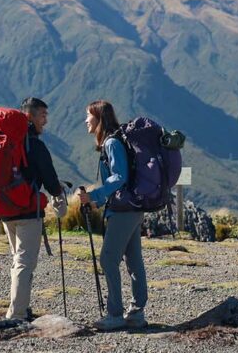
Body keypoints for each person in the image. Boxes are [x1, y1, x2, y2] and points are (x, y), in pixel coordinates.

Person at [78, 99, 148, 331]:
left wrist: (94, 195)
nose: (85, 120)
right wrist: (99, 202)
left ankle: (115, 314)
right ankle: (136, 314)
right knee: (133, 260)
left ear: (98, 118)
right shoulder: (117, 140)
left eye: (88, 116)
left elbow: (119, 177)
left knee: (108, 259)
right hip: (132, 208)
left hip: (124, 211)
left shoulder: (111, 143)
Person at [2, 96, 67, 321]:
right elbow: (50, 180)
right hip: (28, 211)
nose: (45, 121)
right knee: (24, 263)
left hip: (5, 210)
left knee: (18, 260)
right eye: (42, 115)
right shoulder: (35, 146)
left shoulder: (7, 142)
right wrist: (59, 195)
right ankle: (17, 314)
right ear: (29, 116)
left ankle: (21, 307)